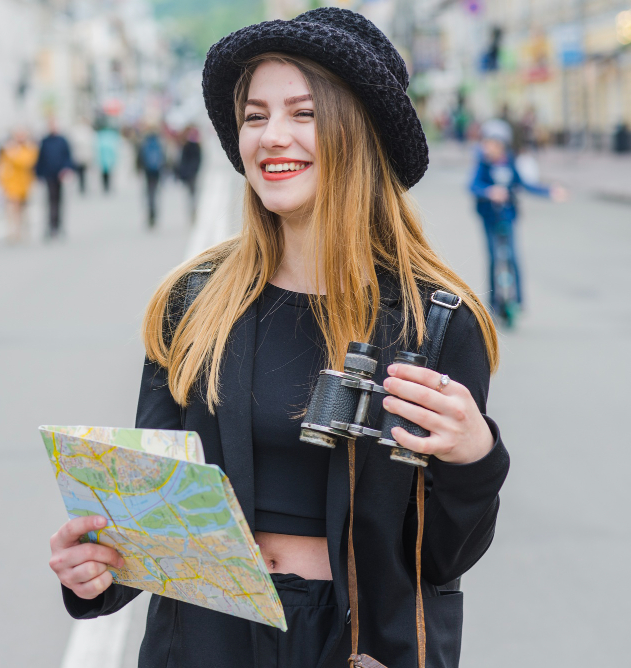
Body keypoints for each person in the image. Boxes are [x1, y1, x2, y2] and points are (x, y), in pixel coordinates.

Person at [48, 9, 511, 668]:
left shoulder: (435, 321)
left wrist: (474, 457)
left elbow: (440, 557)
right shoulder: (193, 304)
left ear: (359, 133)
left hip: (357, 648)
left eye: (304, 113)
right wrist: (94, 571)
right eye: (255, 116)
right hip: (207, 641)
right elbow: (153, 525)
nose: (272, 137)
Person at [470, 119, 565, 315]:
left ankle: (519, 299)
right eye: (487, 143)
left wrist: (549, 191)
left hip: (508, 216)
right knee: (493, 258)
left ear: (502, 145)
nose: (489, 147)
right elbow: (473, 185)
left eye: (494, 144)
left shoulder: (510, 163)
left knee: (512, 257)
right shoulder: (483, 165)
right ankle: (493, 302)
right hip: (489, 218)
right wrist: (489, 192)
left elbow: (525, 184)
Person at [0, 127, 38, 243]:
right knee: (11, 209)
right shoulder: (8, 149)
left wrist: (13, 155)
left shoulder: (28, 148)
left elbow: (27, 162)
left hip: (24, 185)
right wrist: (1, 181)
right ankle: (12, 232)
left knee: (23, 210)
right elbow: (1, 166)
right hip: (11, 185)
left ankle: (22, 231)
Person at [35, 119, 74, 240]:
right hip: (49, 174)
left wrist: (66, 169)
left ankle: (58, 225)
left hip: (60, 175)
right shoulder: (45, 141)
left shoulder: (62, 140)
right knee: (51, 201)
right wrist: (39, 174)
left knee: (59, 201)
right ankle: (51, 226)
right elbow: (40, 158)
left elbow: (67, 157)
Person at [137, 127, 166, 228]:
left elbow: (140, 157)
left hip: (148, 172)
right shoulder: (159, 143)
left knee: (149, 192)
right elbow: (164, 158)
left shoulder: (145, 143)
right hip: (157, 172)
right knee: (155, 192)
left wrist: (139, 168)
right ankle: (154, 212)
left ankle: (150, 212)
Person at [177, 125, 203, 224]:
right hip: (193, 173)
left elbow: (182, 160)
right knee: (193, 193)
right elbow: (199, 159)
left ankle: (193, 210)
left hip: (189, 174)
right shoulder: (197, 144)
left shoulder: (186, 145)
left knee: (191, 193)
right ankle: (193, 210)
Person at [69, 118, 95, 195]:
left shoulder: (88, 130)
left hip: (84, 156)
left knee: (83, 172)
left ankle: (83, 186)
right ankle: (82, 186)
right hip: (80, 156)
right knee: (81, 172)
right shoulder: (78, 131)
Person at [96, 124, 120, 193]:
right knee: (108, 174)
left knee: (104, 174)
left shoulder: (100, 137)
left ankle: (105, 187)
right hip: (108, 159)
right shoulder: (112, 138)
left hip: (104, 159)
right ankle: (107, 186)